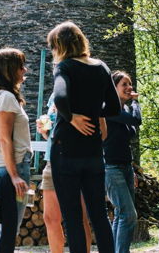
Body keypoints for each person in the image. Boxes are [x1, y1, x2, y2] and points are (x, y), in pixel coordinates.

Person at [47, 21, 121, 253]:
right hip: (92, 152)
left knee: (73, 217)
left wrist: (71, 117)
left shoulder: (65, 67)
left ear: (59, 46)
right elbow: (114, 107)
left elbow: (60, 97)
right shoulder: (101, 67)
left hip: (65, 151)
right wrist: (93, 113)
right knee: (99, 215)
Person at [0, 48, 32, 252]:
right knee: (10, 229)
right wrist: (15, 175)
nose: (24, 70)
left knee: (7, 229)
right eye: (21, 66)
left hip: (0, 167)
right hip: (13, 168)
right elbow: (4, 138)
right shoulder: (6, 98)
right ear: (11, 70)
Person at [37, 94, 93, 253]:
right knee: (50, 218)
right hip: (51, 160)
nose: (56, 67)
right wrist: (44, 130)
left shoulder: (80, 90)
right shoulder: (54, 96)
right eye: (54, 66)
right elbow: (52, 131)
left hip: (73, 160)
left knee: (79, 218)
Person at [103, 71, 141, 253]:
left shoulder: (122, 110)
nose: (129, 88)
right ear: (114, 87)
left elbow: (130, 133)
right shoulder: (109, 107)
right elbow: (136, 120)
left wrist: (131, 169)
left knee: (121, 215)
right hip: (111, 168)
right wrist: (135, 101)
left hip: (125, 166)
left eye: (130, 84)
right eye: (124, 84)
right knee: (129, 215)